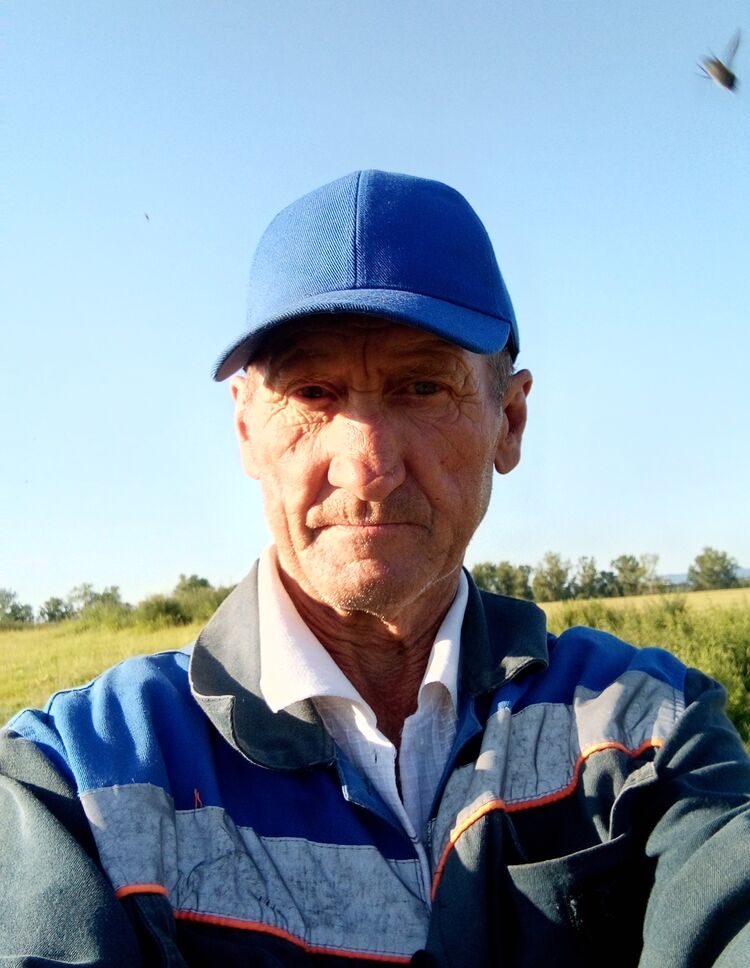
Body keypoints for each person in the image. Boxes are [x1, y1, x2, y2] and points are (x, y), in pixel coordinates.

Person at [1, 170, 749, 968]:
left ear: (510, 419)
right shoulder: (78, 777)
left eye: (422, 387)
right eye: (312, 392)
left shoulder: (646, 729)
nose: (368, 466)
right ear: (247, 430)